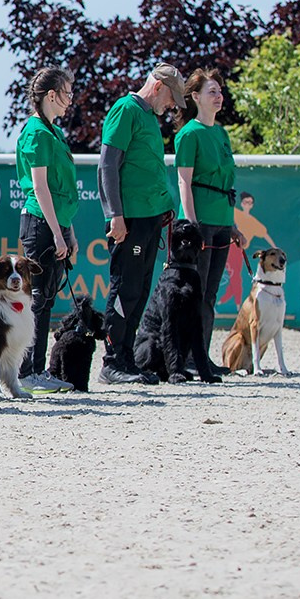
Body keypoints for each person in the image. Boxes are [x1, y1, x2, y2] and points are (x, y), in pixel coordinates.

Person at [98, 63, 188, 385]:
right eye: (172, 98)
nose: (172, 106)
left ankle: (128, 358)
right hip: (130, 219)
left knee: (140, 290)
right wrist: (115, 214)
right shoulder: (126, 110)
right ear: (159, 86)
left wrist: (163, 207)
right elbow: (108, 165)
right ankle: (112, 362)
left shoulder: (148, 116)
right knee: (126, 288)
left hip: (149, 217)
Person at [15, 66, 78, 392]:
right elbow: (40, 187)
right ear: (51, 95)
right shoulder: (37, 132)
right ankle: (27, 371)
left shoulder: (54, 132)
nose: (71, 99)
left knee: (46, 298)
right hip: (40, 222)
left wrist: (68, 231)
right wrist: (56, 232)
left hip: (55, 222)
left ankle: (37, 370)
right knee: (37, 299)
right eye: (67, 93)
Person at [175, 67, 236, 360]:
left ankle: (202, 358)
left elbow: (225, 180)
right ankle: (186, 357)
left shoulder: (221, 133)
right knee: (193, 293)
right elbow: (184, 182)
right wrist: (192, 225)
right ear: (196, 97)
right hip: (201, 223)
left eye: (220, 91)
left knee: (210, 294)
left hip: (222, 220)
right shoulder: (189, 134)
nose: (218, 96)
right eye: (212, 91)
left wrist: (232, 224)